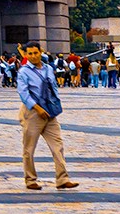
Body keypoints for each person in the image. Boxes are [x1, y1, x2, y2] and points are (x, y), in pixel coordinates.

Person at [15, 43, 78, 191]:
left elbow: (53, 88)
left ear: (40, 52)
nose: (33, 56)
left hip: (49, 113)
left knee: (58, 145)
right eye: (29, 54)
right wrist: (37, 108)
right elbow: (23, 93)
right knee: (29, 148)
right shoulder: (24, 72)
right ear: (26, 55)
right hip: (32, 113)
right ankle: (30, 180)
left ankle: (62, 178)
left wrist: (54, 106)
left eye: (35, 53)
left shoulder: (49, 68)